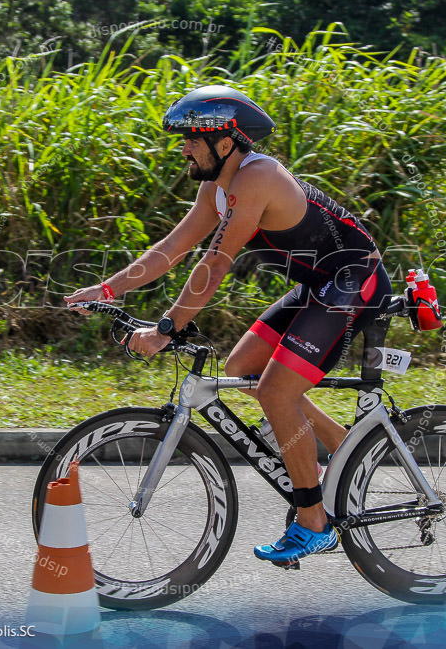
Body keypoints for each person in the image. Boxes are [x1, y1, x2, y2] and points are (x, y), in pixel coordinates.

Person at [64, 85, 392, 565]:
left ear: (227, 140)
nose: (183, 148)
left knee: (277, 392)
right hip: (318, 284)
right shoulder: (215, 186)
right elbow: (173, 248)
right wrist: (109, 289)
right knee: (244, 372)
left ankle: (314, 522)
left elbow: (214, 264)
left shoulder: (256, 178)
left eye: (193, 139)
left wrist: (166, 329)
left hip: (353, 281)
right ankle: (346, 450)